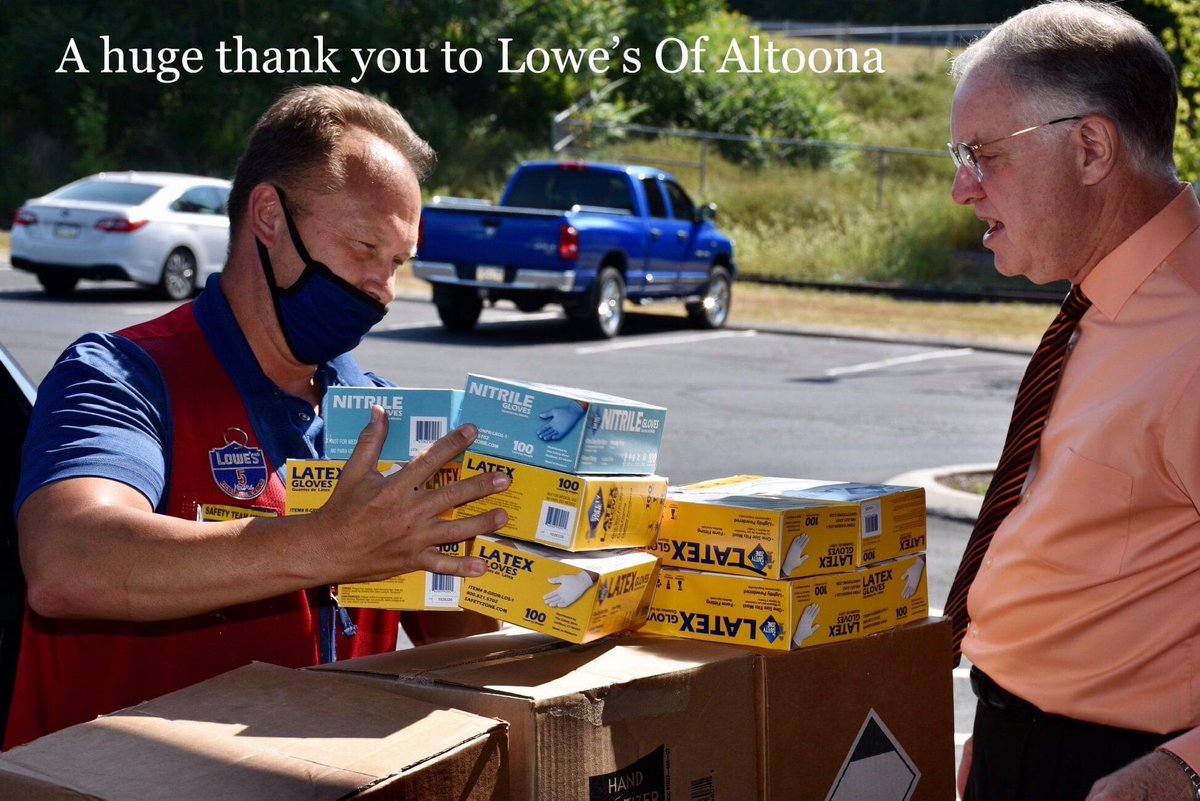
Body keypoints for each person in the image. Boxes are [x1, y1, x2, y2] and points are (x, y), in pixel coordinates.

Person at [2, 85, 512, 749]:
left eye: (396, 264)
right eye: (363, 248)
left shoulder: (379, 415)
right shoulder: (122, 375)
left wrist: (524, 564)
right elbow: (67, 561)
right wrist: (327, 544)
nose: (382, 292)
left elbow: (458, 638)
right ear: (268, 217)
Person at [945, 3, 1200, 800]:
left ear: (1091, 147)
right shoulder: (1110, 301)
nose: (962, 188)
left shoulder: (1192, 333)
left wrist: (1181, 771)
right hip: (1021, 745)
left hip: (1118, 771)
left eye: (982, 155)